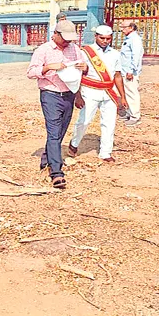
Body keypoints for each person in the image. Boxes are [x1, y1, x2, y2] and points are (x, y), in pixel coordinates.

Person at [26, 20, 87, 189]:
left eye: (70, 39)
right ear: (56, 34)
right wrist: (48, 68)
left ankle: (46, 159)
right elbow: (31, 72)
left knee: (60, 131)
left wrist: (84, 69)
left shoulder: (75, 49)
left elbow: (80, 73)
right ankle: (56, 173)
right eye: (65, 38)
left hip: (69, 94)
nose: (67, 42)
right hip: (50, 94)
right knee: (53, 132)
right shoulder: (43, 50)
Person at [69, 25, 128, 162]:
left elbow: (118, 76)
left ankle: (105, 152)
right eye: (102, 38)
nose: (105, 41)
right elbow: (77, 74)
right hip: (90, 90)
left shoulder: (115, 54)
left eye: (108, 38)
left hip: (108, 92)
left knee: (109, 123)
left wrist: (123, 97)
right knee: (84, 121)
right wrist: (77, 95)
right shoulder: (85, 52)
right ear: (95, 36)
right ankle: (74, 143)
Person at [119, 20, 144, 126]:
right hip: (125, 70)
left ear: (131, 27)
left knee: (132, 93)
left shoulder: (135, 39)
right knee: (127, 93)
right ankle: (129, 113)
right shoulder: (129, 39)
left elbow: (136, 56)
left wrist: (131, 70)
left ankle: (135, 116)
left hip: (130, 72)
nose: (122, 29)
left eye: (124, 27)